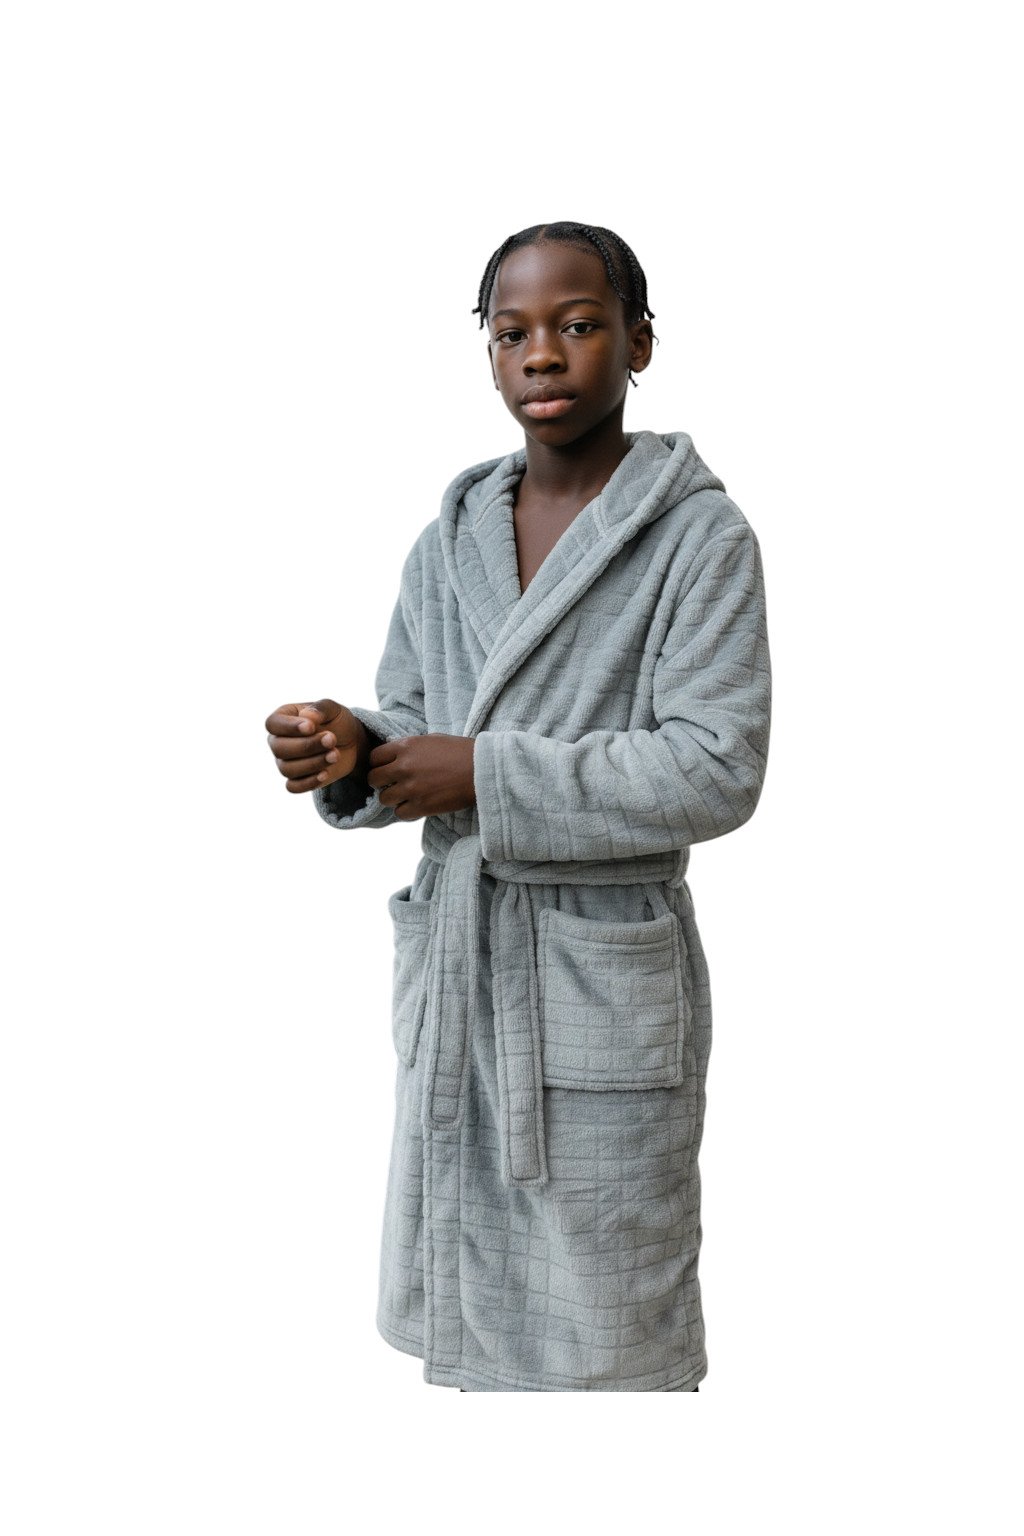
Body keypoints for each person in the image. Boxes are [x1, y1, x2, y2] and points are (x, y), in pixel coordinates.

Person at [264, 222, 771, 1393]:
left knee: (610, 1333)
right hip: (463, 962)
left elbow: (716, 766)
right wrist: (352, 748)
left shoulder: (699, 538)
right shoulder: (447, 541)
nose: (542, 352)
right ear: (489, 354)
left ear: (638, 342)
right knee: (472, 1333)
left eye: (578, 324)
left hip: (594, 975)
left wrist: (485, 774)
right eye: (511, 332)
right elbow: (414, 719)